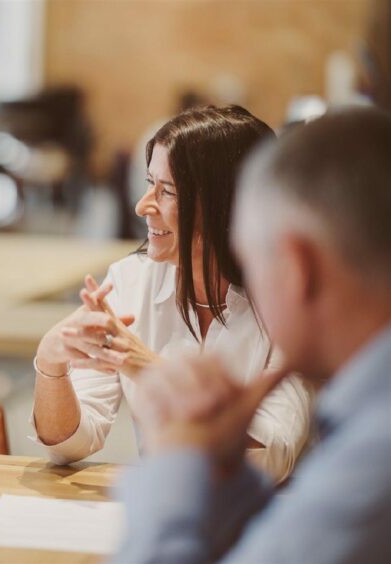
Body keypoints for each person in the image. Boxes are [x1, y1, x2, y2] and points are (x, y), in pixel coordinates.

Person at [118, 107, 391, 563]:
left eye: (250, 258)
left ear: (297, 267)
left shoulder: (374, 452)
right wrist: (225, 474)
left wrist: (177, 463)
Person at [32, 105, 312, 481]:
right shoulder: (130, 281)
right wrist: (51, 362)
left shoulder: (292, 300)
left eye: (166, 191)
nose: (142, 205)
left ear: (224, 205)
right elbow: (68, 444)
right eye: (149, 183)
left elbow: (270, 459)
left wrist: (146, 367)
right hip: (168, 507)